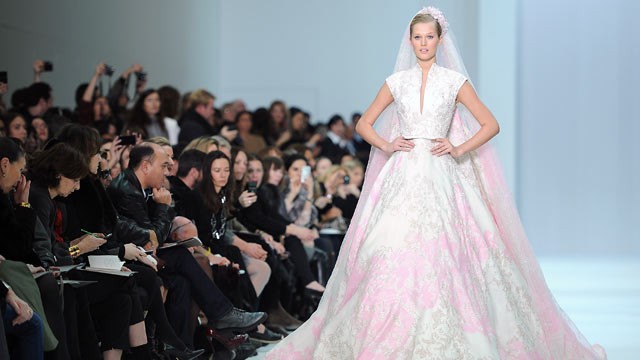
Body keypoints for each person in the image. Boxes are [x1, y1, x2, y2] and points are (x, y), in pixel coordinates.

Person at [267, 7, 606, 359]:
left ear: (440, 39)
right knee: (386, 250)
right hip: (402, 172)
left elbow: (490, 123)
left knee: (451, 250)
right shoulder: (396, 81)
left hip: (442, 174)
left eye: (430, 37)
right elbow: (365, 123)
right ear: (410, 40)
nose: (424, 43)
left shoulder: (453, 81)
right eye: (418, 37)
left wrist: (459, 148)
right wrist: (386, 144)